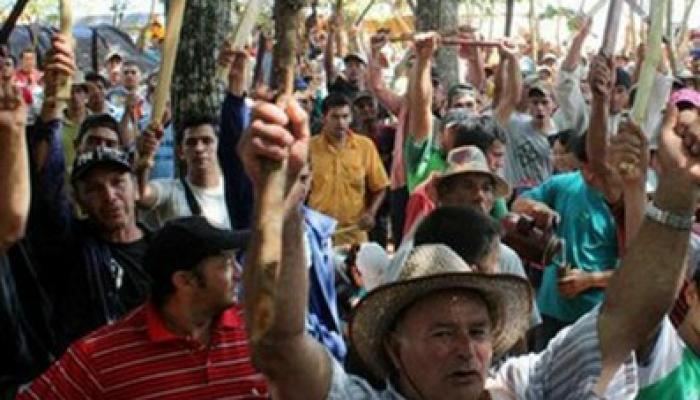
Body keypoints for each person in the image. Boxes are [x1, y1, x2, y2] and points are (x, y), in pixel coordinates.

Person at [238, 74, 700, 399]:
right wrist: (277, 204)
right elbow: (278, 349)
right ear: (395, 348)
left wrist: (676, 196)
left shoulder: (530, 387)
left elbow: (629, 315)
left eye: (478, 331)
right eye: (442, 332)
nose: (466, 350)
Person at [16, 217, 269, 399]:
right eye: (226, 264)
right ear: (185, 280)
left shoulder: (261, 331)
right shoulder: (101, 357)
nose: (239, 273)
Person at [308, 92, 389, 245]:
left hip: (354, 235)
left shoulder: (365, 146)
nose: (341, 123)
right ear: (324, 118)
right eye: (335, 117)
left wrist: (371, 213)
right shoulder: (310, 148)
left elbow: (380, 187)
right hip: (318, 235)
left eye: (345, 117)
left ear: (351, 118)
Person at [136, 115, 231, 230]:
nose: (199, 148)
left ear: (220, 146)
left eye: (207, 141)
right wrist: (145, 157)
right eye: (191, 143)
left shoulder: (235, 191)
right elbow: (141, 196)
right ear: (180, 152)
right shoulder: (170, 191)